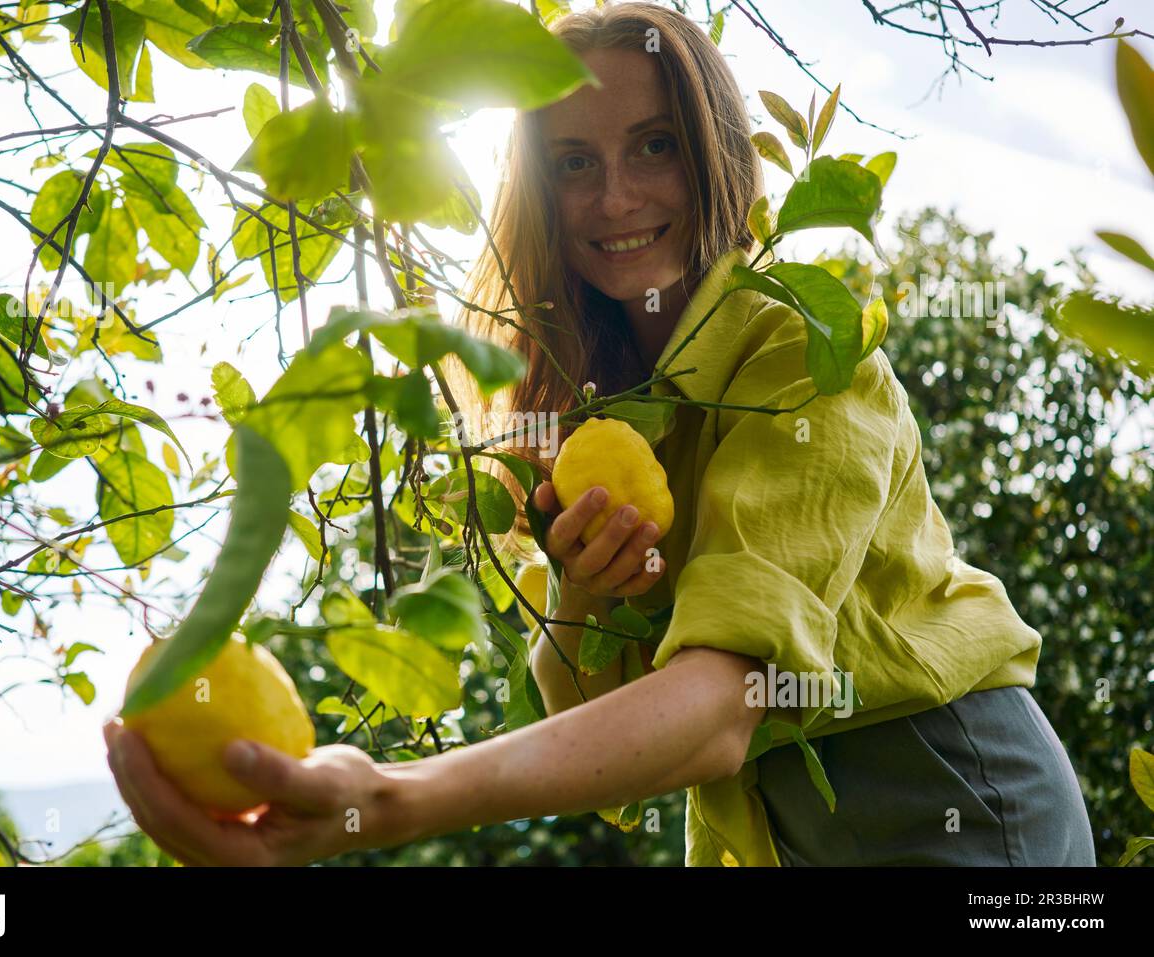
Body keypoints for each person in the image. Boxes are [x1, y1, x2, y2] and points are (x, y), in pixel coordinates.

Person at [102, 1, 1095, 867]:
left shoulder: (797, 343)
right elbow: (590, 732)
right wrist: (584, 580)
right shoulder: (591, 401)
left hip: (952, 798)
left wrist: (392, 797)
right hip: (788, 831)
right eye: (573, 162)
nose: (614, 197)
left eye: (653, 144)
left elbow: (717, 709)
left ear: (710, 153)